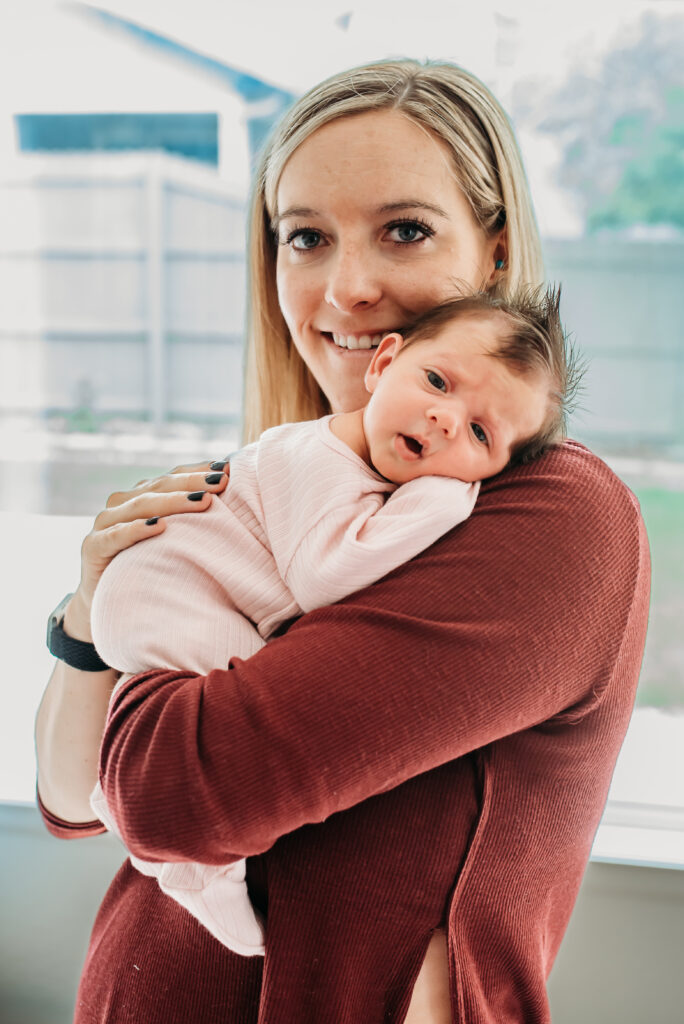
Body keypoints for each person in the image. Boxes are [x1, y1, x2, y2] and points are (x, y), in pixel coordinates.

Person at [34, 59, 650, 1024]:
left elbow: (164, 796)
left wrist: (150, 637)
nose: (347, 287)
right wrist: (85, 615)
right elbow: (73, 802)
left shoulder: (550, 515)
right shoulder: (270, 485)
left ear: (494, 255)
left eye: (404, 231)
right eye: (305, 238)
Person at [87, 285, 578, 959]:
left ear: (501, 469)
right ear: (383, 365)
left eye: (479, 433)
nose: (442, 419)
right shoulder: (317, 458)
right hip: (167, 595)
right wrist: (444, 495)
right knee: (225, 701)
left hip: (175, 600)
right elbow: (326, 577)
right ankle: (200, 872)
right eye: (437, 381)